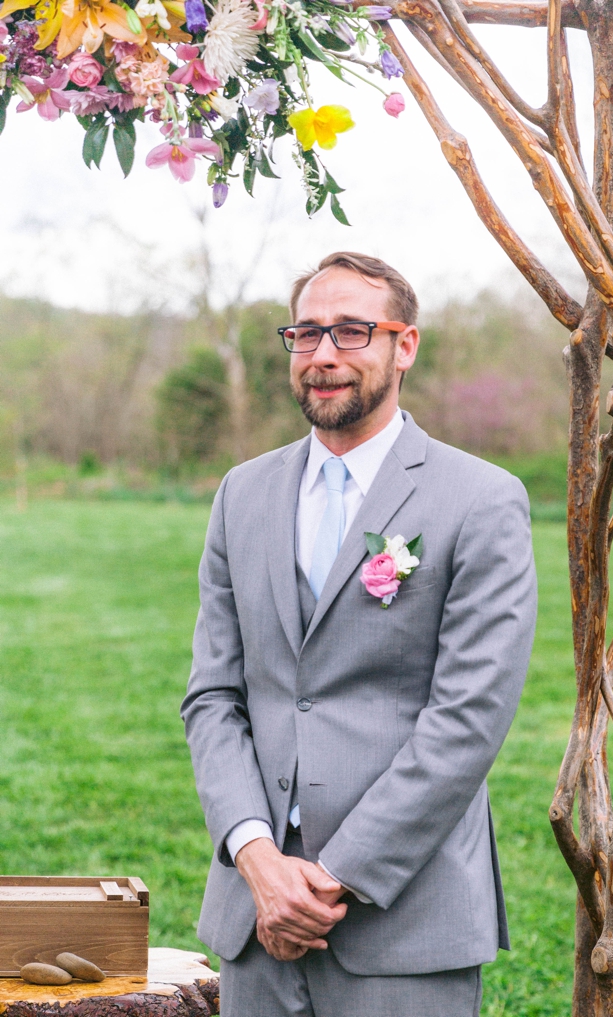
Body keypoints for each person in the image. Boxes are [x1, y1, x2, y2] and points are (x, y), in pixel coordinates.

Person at [182, 251, 538, 1016]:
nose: (324, 356)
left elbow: (468, 720)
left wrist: (330, 876)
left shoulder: (480, 499)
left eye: (351, 331)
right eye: (306, 334)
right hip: (256, 919)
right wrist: (257, 858)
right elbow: (213, 696)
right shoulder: (241, 493)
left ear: (403, 345)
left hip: (402, 922)